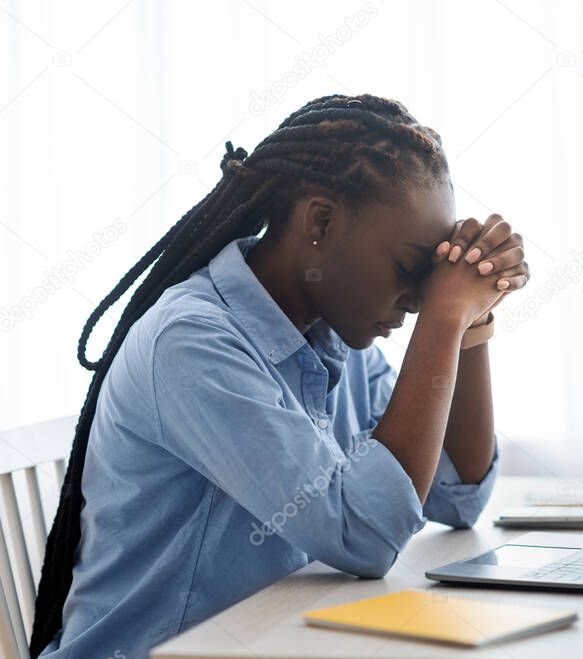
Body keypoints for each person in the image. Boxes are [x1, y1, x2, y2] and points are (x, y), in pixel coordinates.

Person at [31, 94, 529, 658]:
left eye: (433, 274)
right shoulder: (193, 341)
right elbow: (364, 535)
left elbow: (455, 495)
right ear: (319, 221)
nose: (419, 298)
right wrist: (445, 314)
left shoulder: (341, 335)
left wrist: (472, 321)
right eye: (409, 268)